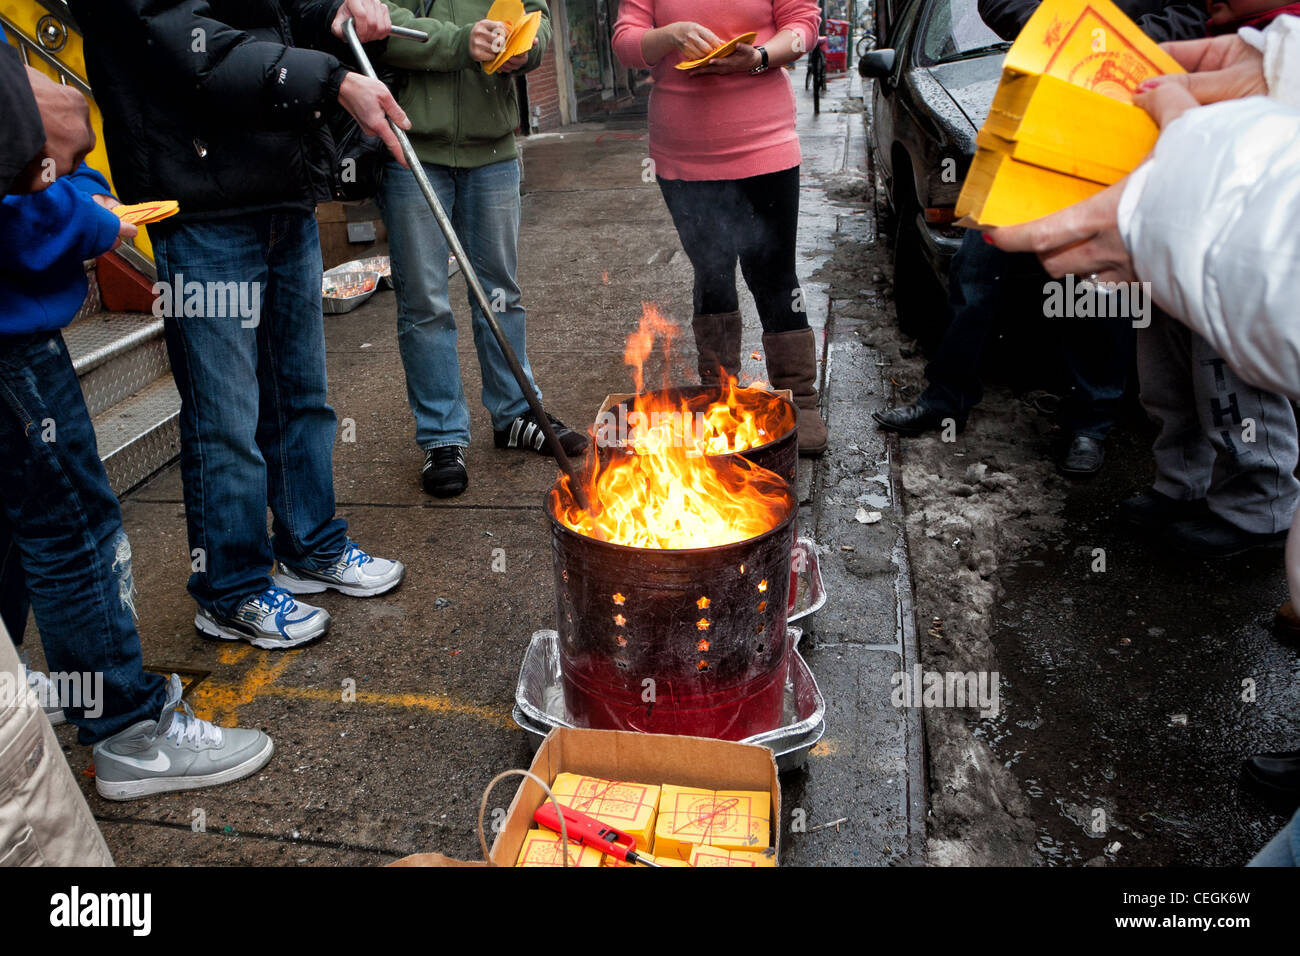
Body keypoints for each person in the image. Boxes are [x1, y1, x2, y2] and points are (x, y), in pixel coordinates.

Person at [987, 17, 1300, 800]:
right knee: (1167, 358)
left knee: (1226, 368)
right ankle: (1186, 480)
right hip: (1161, 144)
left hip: (1186, 167)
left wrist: (1211, 204)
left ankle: (1254, 503)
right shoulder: (1261, 56)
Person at [70, 0, 409, 649]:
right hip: (199, 207)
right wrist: (333, 79)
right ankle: (231, 589)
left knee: (301, 395)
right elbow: (192, 45)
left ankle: (310, 544)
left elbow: (271, 20)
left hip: (281, 189)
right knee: (225, 419)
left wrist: (330, 17)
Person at [1, 29, 272, 807]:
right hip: (12, 337)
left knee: (19, 533)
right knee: (72, 529)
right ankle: (128, 731)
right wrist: (89, 216)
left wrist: (75, 191)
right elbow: (21, 194)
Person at [874, 0, 1211, 477]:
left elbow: (1188, 17)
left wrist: (1106, 38)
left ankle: (1090, 424)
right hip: (1029, 121)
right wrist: (1069, 29)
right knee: (974, 272)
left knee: (1095, 286)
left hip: (1112, 124)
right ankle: (946, 399)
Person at [378, 0, 589, 500]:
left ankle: (516, 414)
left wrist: (528, 50)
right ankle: (442, 438)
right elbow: (378, 26)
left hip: (493, 149)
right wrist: (460, 41)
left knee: (501, 292)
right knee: (425, 302)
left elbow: (537, 17)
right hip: (413, 149)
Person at [612, 0, 829, 457]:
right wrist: (670, 36)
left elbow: (803, 25)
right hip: (681, 155)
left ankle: (801, 399)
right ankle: (718, 393)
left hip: (764, 144)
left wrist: (759, 58)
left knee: (773, 273)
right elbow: (626, 42)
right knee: (710, 270)